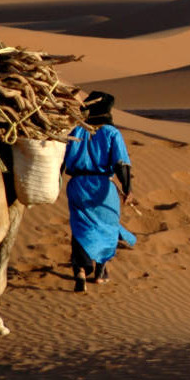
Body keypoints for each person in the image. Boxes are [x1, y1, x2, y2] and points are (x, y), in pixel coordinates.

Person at [62, 91, 136, 292]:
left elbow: (61, 158)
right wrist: (127, 189)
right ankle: (100, 272)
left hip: (77, 185)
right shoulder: (111, 133)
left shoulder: (76, 130)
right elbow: (121, 163)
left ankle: (80, 272)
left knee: (80, 227)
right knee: (107, 226)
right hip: (103, 187)